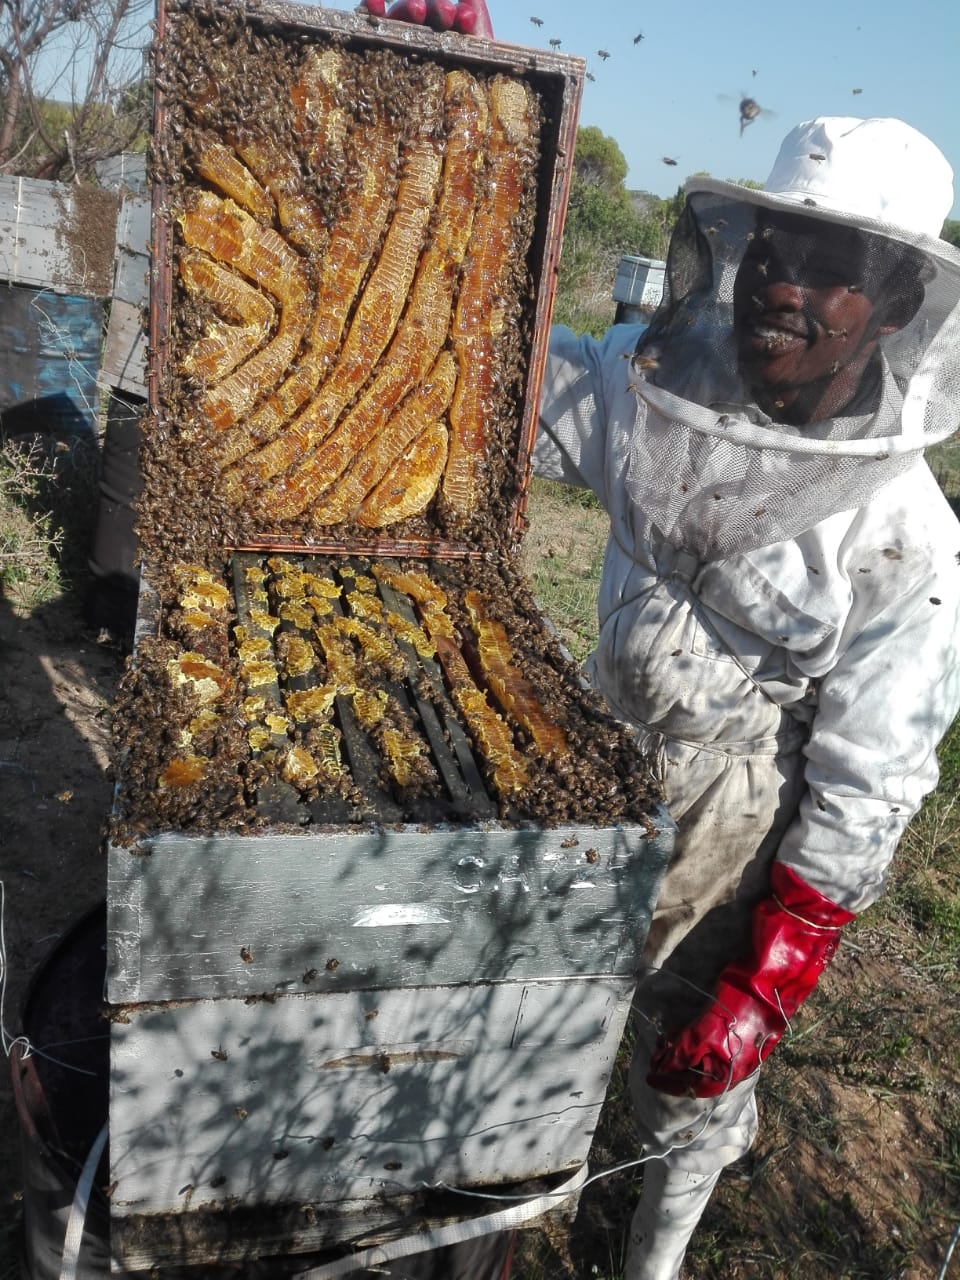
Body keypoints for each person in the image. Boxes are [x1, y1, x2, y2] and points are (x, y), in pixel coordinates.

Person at [368, 3, 960, 1277]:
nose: (782, 286)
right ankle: (481, 1229)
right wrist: (430, 103)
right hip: (587, 758)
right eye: (773, 251)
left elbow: (871, 777)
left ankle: (655, 1250)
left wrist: (769, 975)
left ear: (901, 298)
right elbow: (494, 381)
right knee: (523, 1029)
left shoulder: (906, 532)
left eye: (832, 266)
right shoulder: (658, 392)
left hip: (737, 827)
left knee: (683, 1089)